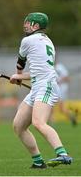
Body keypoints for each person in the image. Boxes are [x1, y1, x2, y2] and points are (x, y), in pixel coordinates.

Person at [10, 12, 73, 169]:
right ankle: (38, 162)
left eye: (28, 23)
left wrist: (18, 76)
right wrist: (19, 78)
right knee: (18, 125)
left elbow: (20, 62)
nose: (25, 25)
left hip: (46, 85)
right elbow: (37, 72)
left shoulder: (28, 40)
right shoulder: (48, 41)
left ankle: (63, 154)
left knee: (39, 122)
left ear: (36, 26)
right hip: (38, 86)